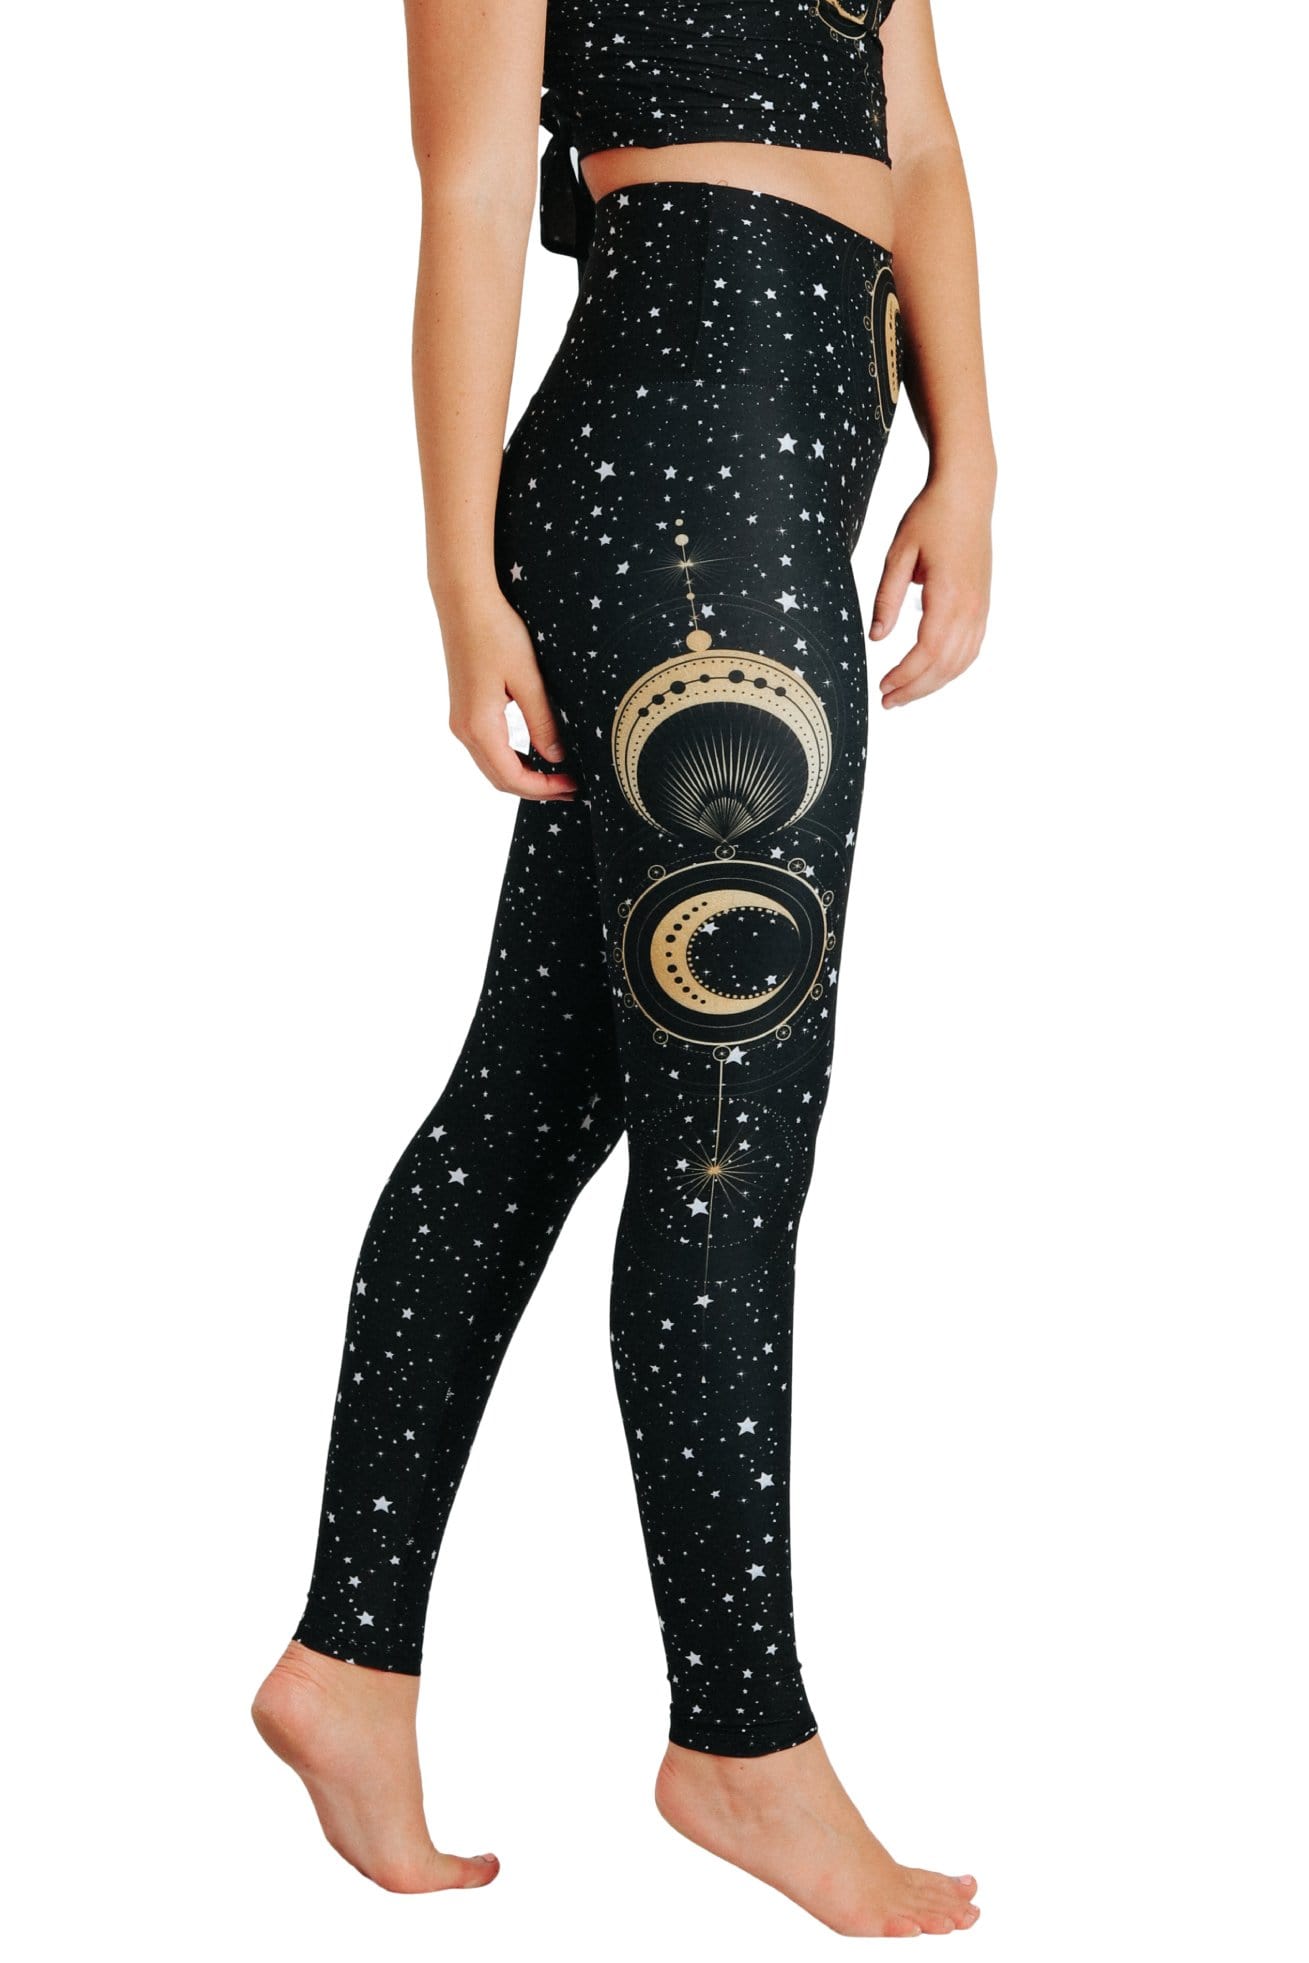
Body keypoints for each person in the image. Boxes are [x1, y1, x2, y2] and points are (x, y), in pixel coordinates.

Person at [252, 0, 993, 1935]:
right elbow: (469, 190)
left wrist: (970, 458)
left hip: (782, 489)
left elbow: (919, 144)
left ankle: (346, 1665)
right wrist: (459, 585)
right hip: (676, 494)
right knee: (730, 1143)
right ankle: (739, 1742)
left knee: (532, 1099)